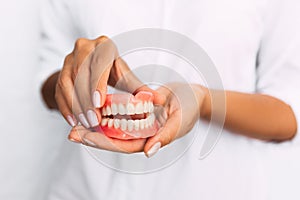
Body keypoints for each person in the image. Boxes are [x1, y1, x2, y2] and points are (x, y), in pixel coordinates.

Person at [39, 0, 300, 199]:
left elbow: (289, 115)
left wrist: (203, 100)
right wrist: (74, 75)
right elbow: (47, 82)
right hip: (84, 188)